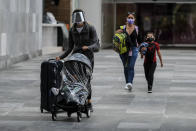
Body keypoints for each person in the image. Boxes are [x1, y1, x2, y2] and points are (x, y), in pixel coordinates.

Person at [56, 9, 100, 111]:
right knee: (73, 79)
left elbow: (96, 44)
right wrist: (61, 57)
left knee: (86, 80)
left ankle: (88, 102)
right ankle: (75, 99)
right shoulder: (72, 30)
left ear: (83, 19)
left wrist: (88, 47)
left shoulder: (90, 28)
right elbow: (70, 47)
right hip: (75, 57)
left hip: (87, 58)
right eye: (76, 22)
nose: (78, 24)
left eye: (79, 22)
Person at [115, 12, 143, 91]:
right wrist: (117, 33)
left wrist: (141, 51)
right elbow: (116, 37)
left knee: (131, 66)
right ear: (126, 19)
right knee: (126, 67)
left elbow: (139, 40)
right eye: (129, 18)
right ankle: (127, 83)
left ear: (134, 19)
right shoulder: (122, 28)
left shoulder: (137, 29)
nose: (130, 19)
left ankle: (130, 82)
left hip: (133, 49)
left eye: (132, 18)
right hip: (123, 50)